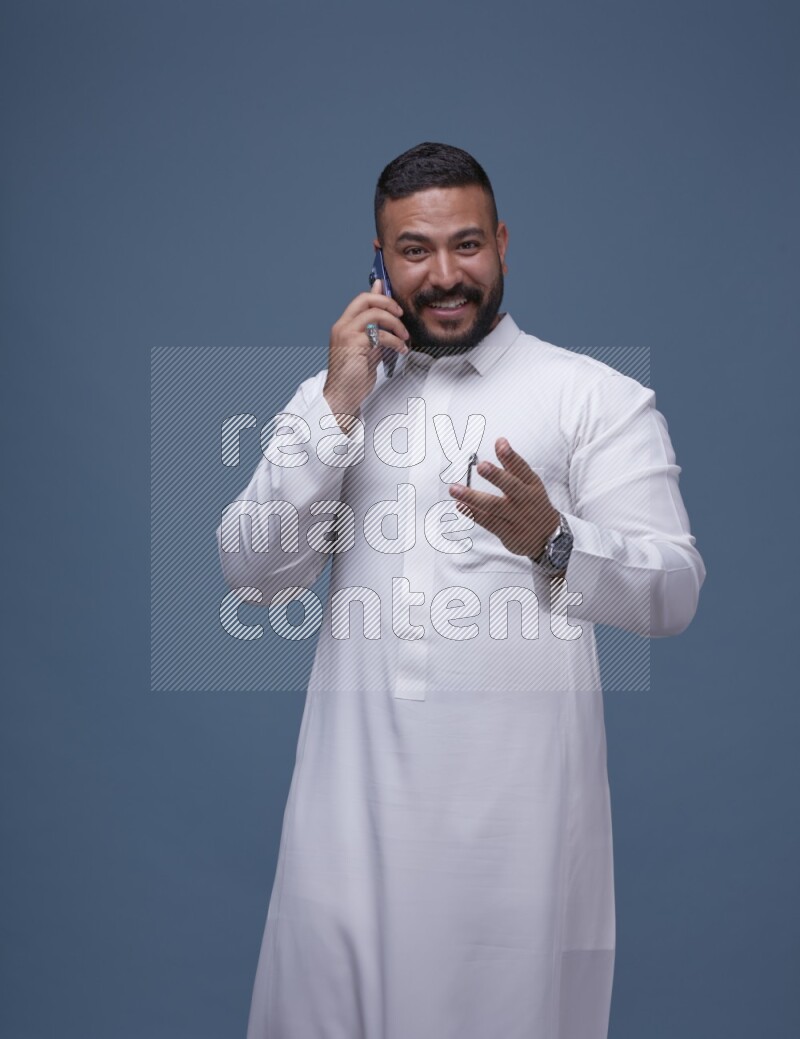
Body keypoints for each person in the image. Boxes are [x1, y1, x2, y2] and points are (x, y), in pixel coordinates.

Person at [218, 142, 705, 1039]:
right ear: (378, 259)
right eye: (415, 251)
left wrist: (554, 541)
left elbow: (673, 593)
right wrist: (334, 410)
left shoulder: (592, 398)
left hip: (515, 848)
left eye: (467, 245)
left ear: (504, 243)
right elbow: (251, 572)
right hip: (346, 836)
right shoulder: (333, 397)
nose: (445, 275)